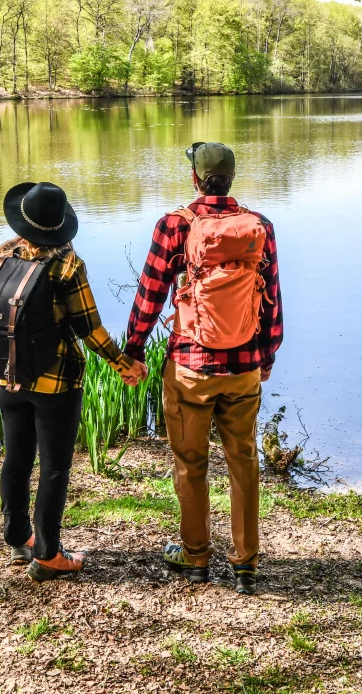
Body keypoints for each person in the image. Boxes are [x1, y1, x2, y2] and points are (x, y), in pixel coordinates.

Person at [124, 142, 283, 594]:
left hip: (191, 367)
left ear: (196, 178)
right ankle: (246, 561)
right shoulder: (259, 227)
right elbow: (271, 296)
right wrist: (266, 355)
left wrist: (132, 350)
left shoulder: (176, 224)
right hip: (244, 365)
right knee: (243, 461)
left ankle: (195, 557)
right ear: (231, 178)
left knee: (191, 463)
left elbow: (151, 294)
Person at [0, 182, 146, 581]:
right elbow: (88, 328)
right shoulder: (67, 264)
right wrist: (123, 364)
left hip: (7, 376)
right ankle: (49, 554)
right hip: (56, 385)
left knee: (16, 459)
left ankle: (18, 539)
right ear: (59, 227)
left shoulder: (2, 253)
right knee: (55, 468)